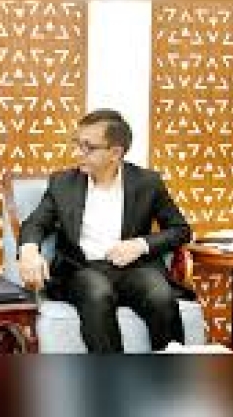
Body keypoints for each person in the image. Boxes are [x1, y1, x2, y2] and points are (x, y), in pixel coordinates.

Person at [18, 109, 191, 352]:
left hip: (132, 269)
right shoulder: (63, 183)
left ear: (115, 153)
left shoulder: (147, 183)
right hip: (81, 270)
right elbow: (36, 222)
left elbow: (180, 230)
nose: (77, 153)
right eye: (76, 144)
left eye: (87, 147)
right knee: (97, 292)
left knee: (159, 294)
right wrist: (28, 250)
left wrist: (140, 245)